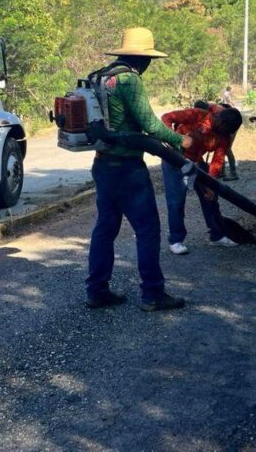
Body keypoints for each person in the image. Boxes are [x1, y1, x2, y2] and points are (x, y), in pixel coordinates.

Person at [85, 27, 192, 313]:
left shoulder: (100, 76)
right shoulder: (129, 79)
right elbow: (151, 126)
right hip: (128, 168)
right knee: (148, 230)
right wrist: (181, 139)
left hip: (103, 164)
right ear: (141, 59)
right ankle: (153, 294)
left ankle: (96, 290)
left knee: (105, 228)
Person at [160, 103, 244, 254]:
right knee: (176, 201)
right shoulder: (199, 115)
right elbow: (167, 117)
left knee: (210, 197)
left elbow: (217, 161)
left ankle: (216, 235)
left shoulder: (224, 137)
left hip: (196, 162)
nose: (227, 135)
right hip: (175, 159)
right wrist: (173, 138)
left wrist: (211, 183)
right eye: (227, 130)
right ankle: (176, 240)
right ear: (221, 122)